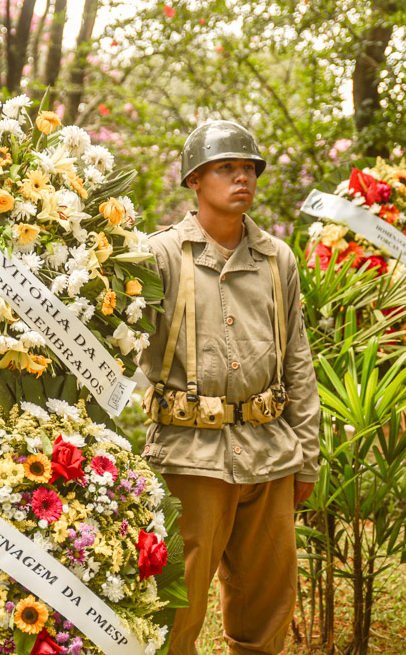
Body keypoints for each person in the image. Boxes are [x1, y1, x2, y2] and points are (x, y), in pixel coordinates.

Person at [140, 121, 320, 655]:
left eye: (250, 169)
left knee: (265, 609)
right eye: (227, 168)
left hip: (271, 452)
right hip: (190, 456)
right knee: (176, 609)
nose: (242, 177)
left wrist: (306, 455)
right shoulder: (160, 256)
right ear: (194, 179)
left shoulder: (276, 258)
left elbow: (299, 363)